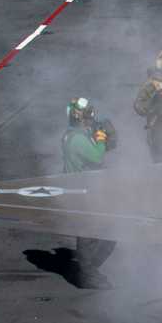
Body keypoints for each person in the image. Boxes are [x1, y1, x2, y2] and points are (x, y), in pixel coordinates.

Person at [61, 96, 118, 274]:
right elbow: (97, 158)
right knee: (92, 231)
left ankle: (88, 268)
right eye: (88, 115)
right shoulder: (78, 139)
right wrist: (101, 138)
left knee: (93, 230)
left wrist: (106, 140)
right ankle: (88, 271)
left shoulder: (73, 134)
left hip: (80, 186)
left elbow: (95, 151)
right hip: (83, 190)